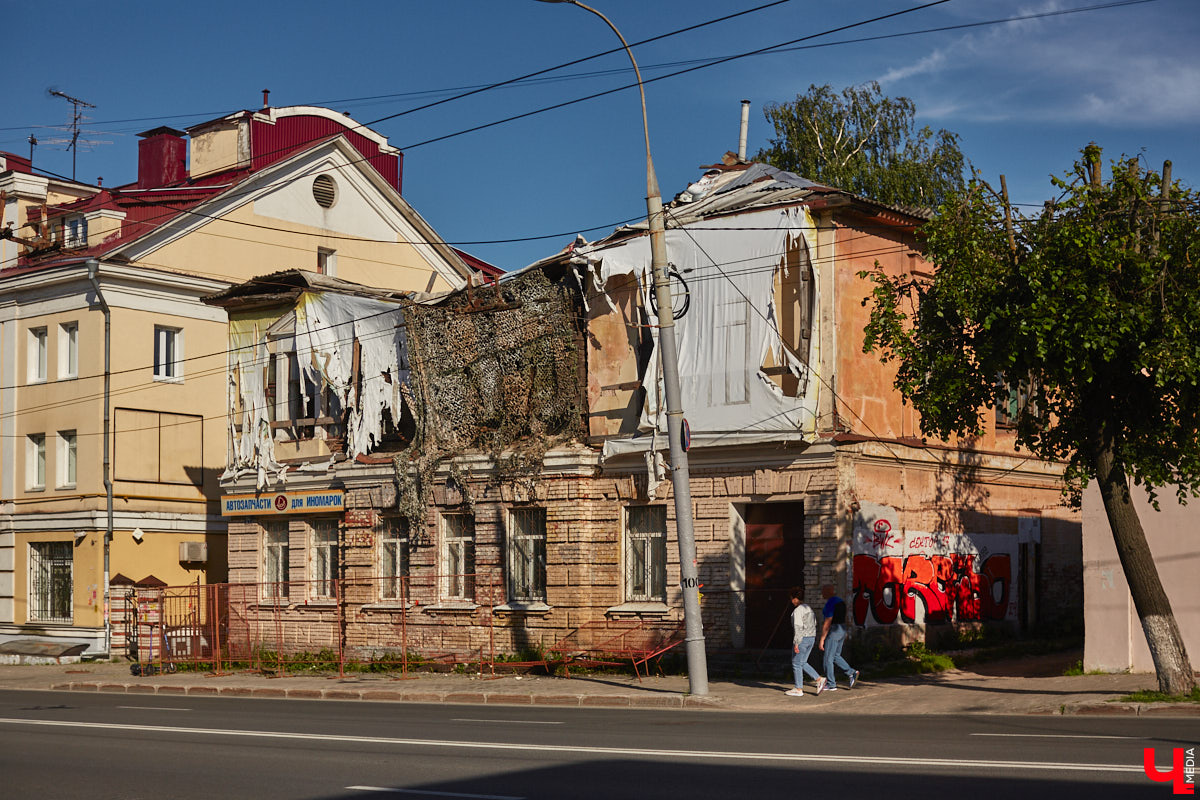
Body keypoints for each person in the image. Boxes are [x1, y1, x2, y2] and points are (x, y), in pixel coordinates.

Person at [785, 586, 827, 697]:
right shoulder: (808, 608)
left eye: (791, 598)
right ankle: (819, 679)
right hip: (811, 638)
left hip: (802, 639)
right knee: (802, 662)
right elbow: (815, 623)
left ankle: (798, 689)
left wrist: (796, 643)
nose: (791, 601)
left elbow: (798, 627)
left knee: (796, 663)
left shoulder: (798, 610)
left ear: (795, 599)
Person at [817, 584, 860, 692]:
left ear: (828, 592)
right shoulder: (840, 601)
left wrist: (822, 638)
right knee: (836, 655)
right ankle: (852, 673)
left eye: (823, 591)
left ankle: (831, 684)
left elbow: (828, 621)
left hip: (834, 631)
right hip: (842, 629)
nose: (822, 593)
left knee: (828, 659)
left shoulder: (830, 603)